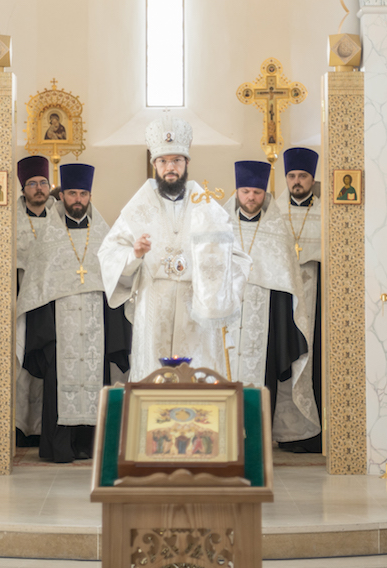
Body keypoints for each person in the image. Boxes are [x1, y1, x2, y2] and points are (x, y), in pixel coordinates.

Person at [98, 115, 250, 377]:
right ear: (154, 164)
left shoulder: (207, 206)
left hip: (196, 311)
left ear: (187, 163)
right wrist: (134, 254)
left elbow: (238, 257)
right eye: (163, 161)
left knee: (197, 378)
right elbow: (108, 254)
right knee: (153, 377)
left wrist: (212, 279)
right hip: (154, 306)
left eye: (176, 160)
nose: (170, 167)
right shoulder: (137, 209)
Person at [16, 163, 132, 462]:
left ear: (89, 195)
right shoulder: (49, 239)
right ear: (62, 195)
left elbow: (117, 283)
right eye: (71, 193)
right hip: (60, 329)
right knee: (60, 383)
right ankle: (61, 448)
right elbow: (37, 287)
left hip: (96, 325)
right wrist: (45, 337)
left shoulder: (104, 237)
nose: (77, 199)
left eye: (83, 193)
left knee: (96, 378)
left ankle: (92, 446)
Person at [224, 160, 316, 438]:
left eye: (257, 192)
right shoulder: (221, 227)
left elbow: (286, 282)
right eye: (245, 191)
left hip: (263, 321)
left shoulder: (277, 231)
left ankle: (259, 440)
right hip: (225, 321)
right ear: (237, 192)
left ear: (265, 195)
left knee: (261, 377)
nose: (251, 197)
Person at [277, 147, 323, 452]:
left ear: (312, 178)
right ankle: (285, 430)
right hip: (282, 300)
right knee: (285, 359)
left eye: (302, 176)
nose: (296, 181)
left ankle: (312, 431)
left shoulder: (326, 213)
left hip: (316, 296)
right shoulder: (274, 212)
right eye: (292, 176)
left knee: (314, 359)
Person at [13, 155, 55, 442]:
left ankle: (42, 427)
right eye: (32, 184)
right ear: (23, 188)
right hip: (22, 297)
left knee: (49, 364)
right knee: (21, 361)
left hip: (53, 300)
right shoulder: (10, 219)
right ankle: (20, 426)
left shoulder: (61, 216)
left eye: (43, 182)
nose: (39, 188)